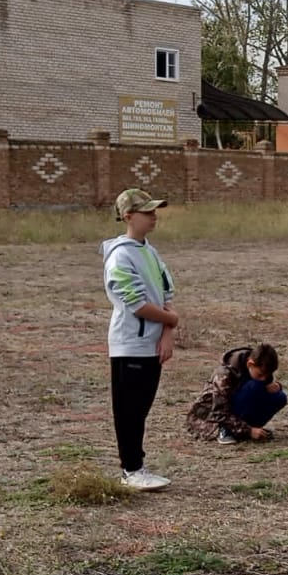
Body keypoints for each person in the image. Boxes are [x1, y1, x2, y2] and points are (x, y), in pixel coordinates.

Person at [101, 188, 178, 491]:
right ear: (128, 216)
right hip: (130, 343)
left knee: (141, 407)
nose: (153, 216)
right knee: (129, 410)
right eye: (147, 212)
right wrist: (171, 320)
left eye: (154, 211)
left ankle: (137, 466)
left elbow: (167, 294)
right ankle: (131, 469)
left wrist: (168, 333)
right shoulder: (120, 256)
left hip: (152, 344)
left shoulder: (150, 251)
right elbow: (136, 303)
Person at [185, 343, 287, 443]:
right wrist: (248, 430)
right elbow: (219, 412)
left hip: (236, 413)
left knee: (279, 398)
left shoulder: (259, 371)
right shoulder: (224, 374)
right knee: (255, 386)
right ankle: (226, 431)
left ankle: (247, 429)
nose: (264, 378)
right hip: (213, 419)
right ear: (250, 364)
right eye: (261, 374)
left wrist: (277, 386)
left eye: (268, 375)